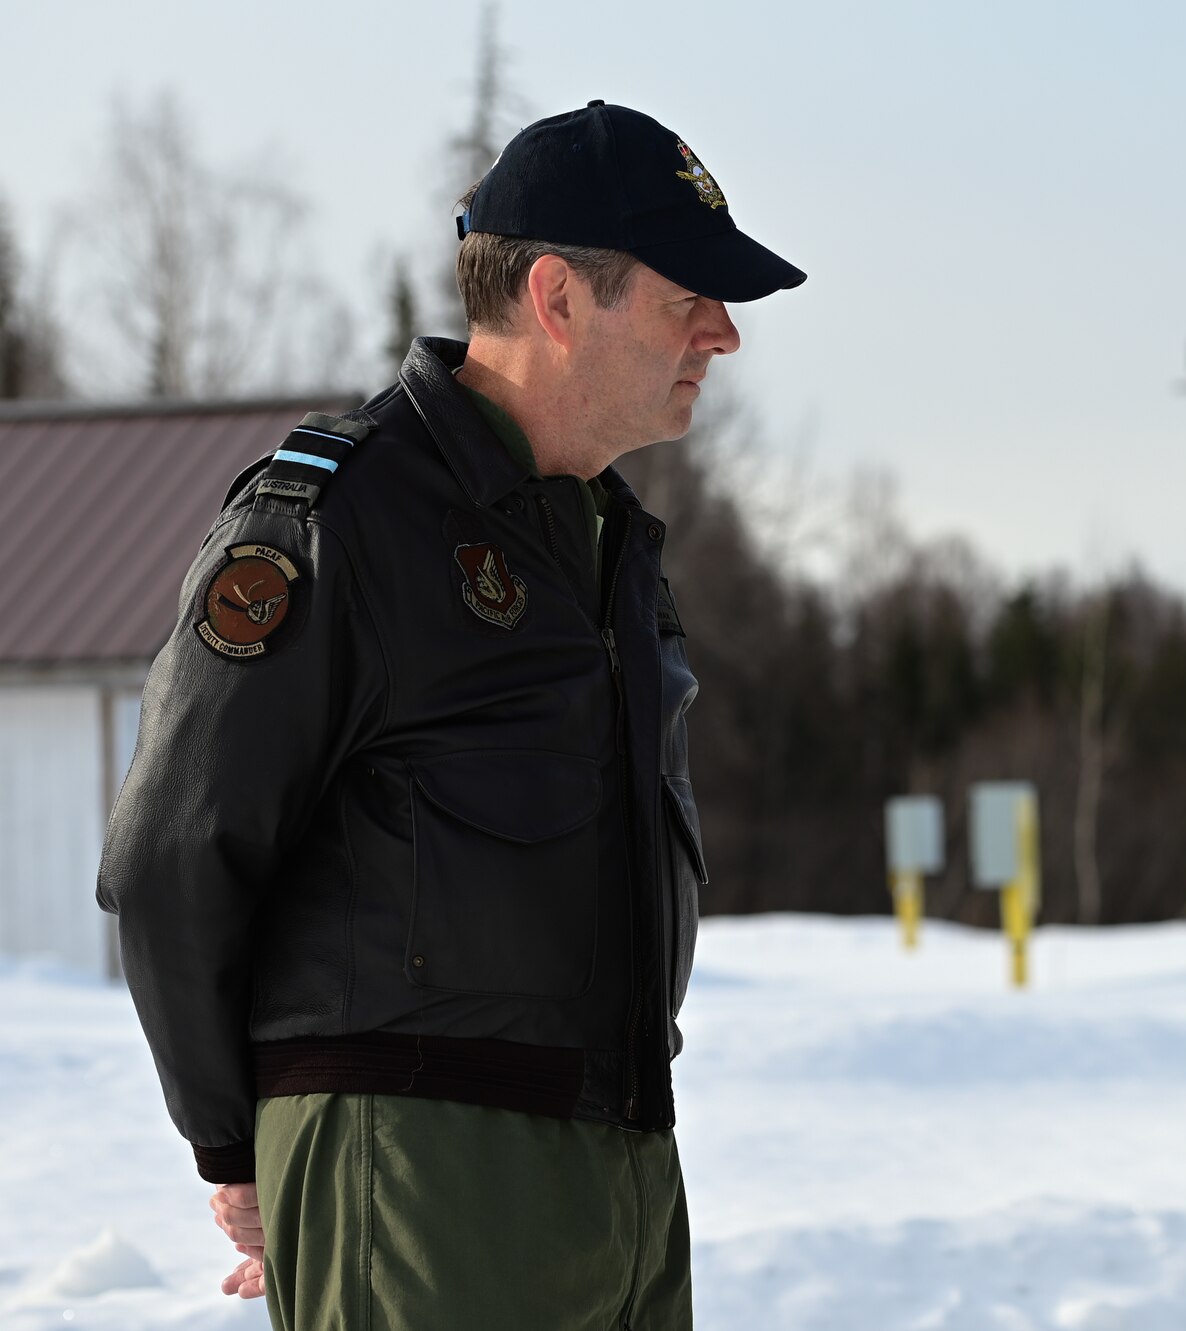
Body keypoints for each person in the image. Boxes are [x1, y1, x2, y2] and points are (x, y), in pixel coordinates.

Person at [98, 101, 804, 1330]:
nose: (723, 333)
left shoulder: (605, 541)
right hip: (425, 1171)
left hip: (618, 1162)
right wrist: (240, 1146)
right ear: (557, 296)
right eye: (688, 293)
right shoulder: (342, 518)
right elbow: (174, 850)